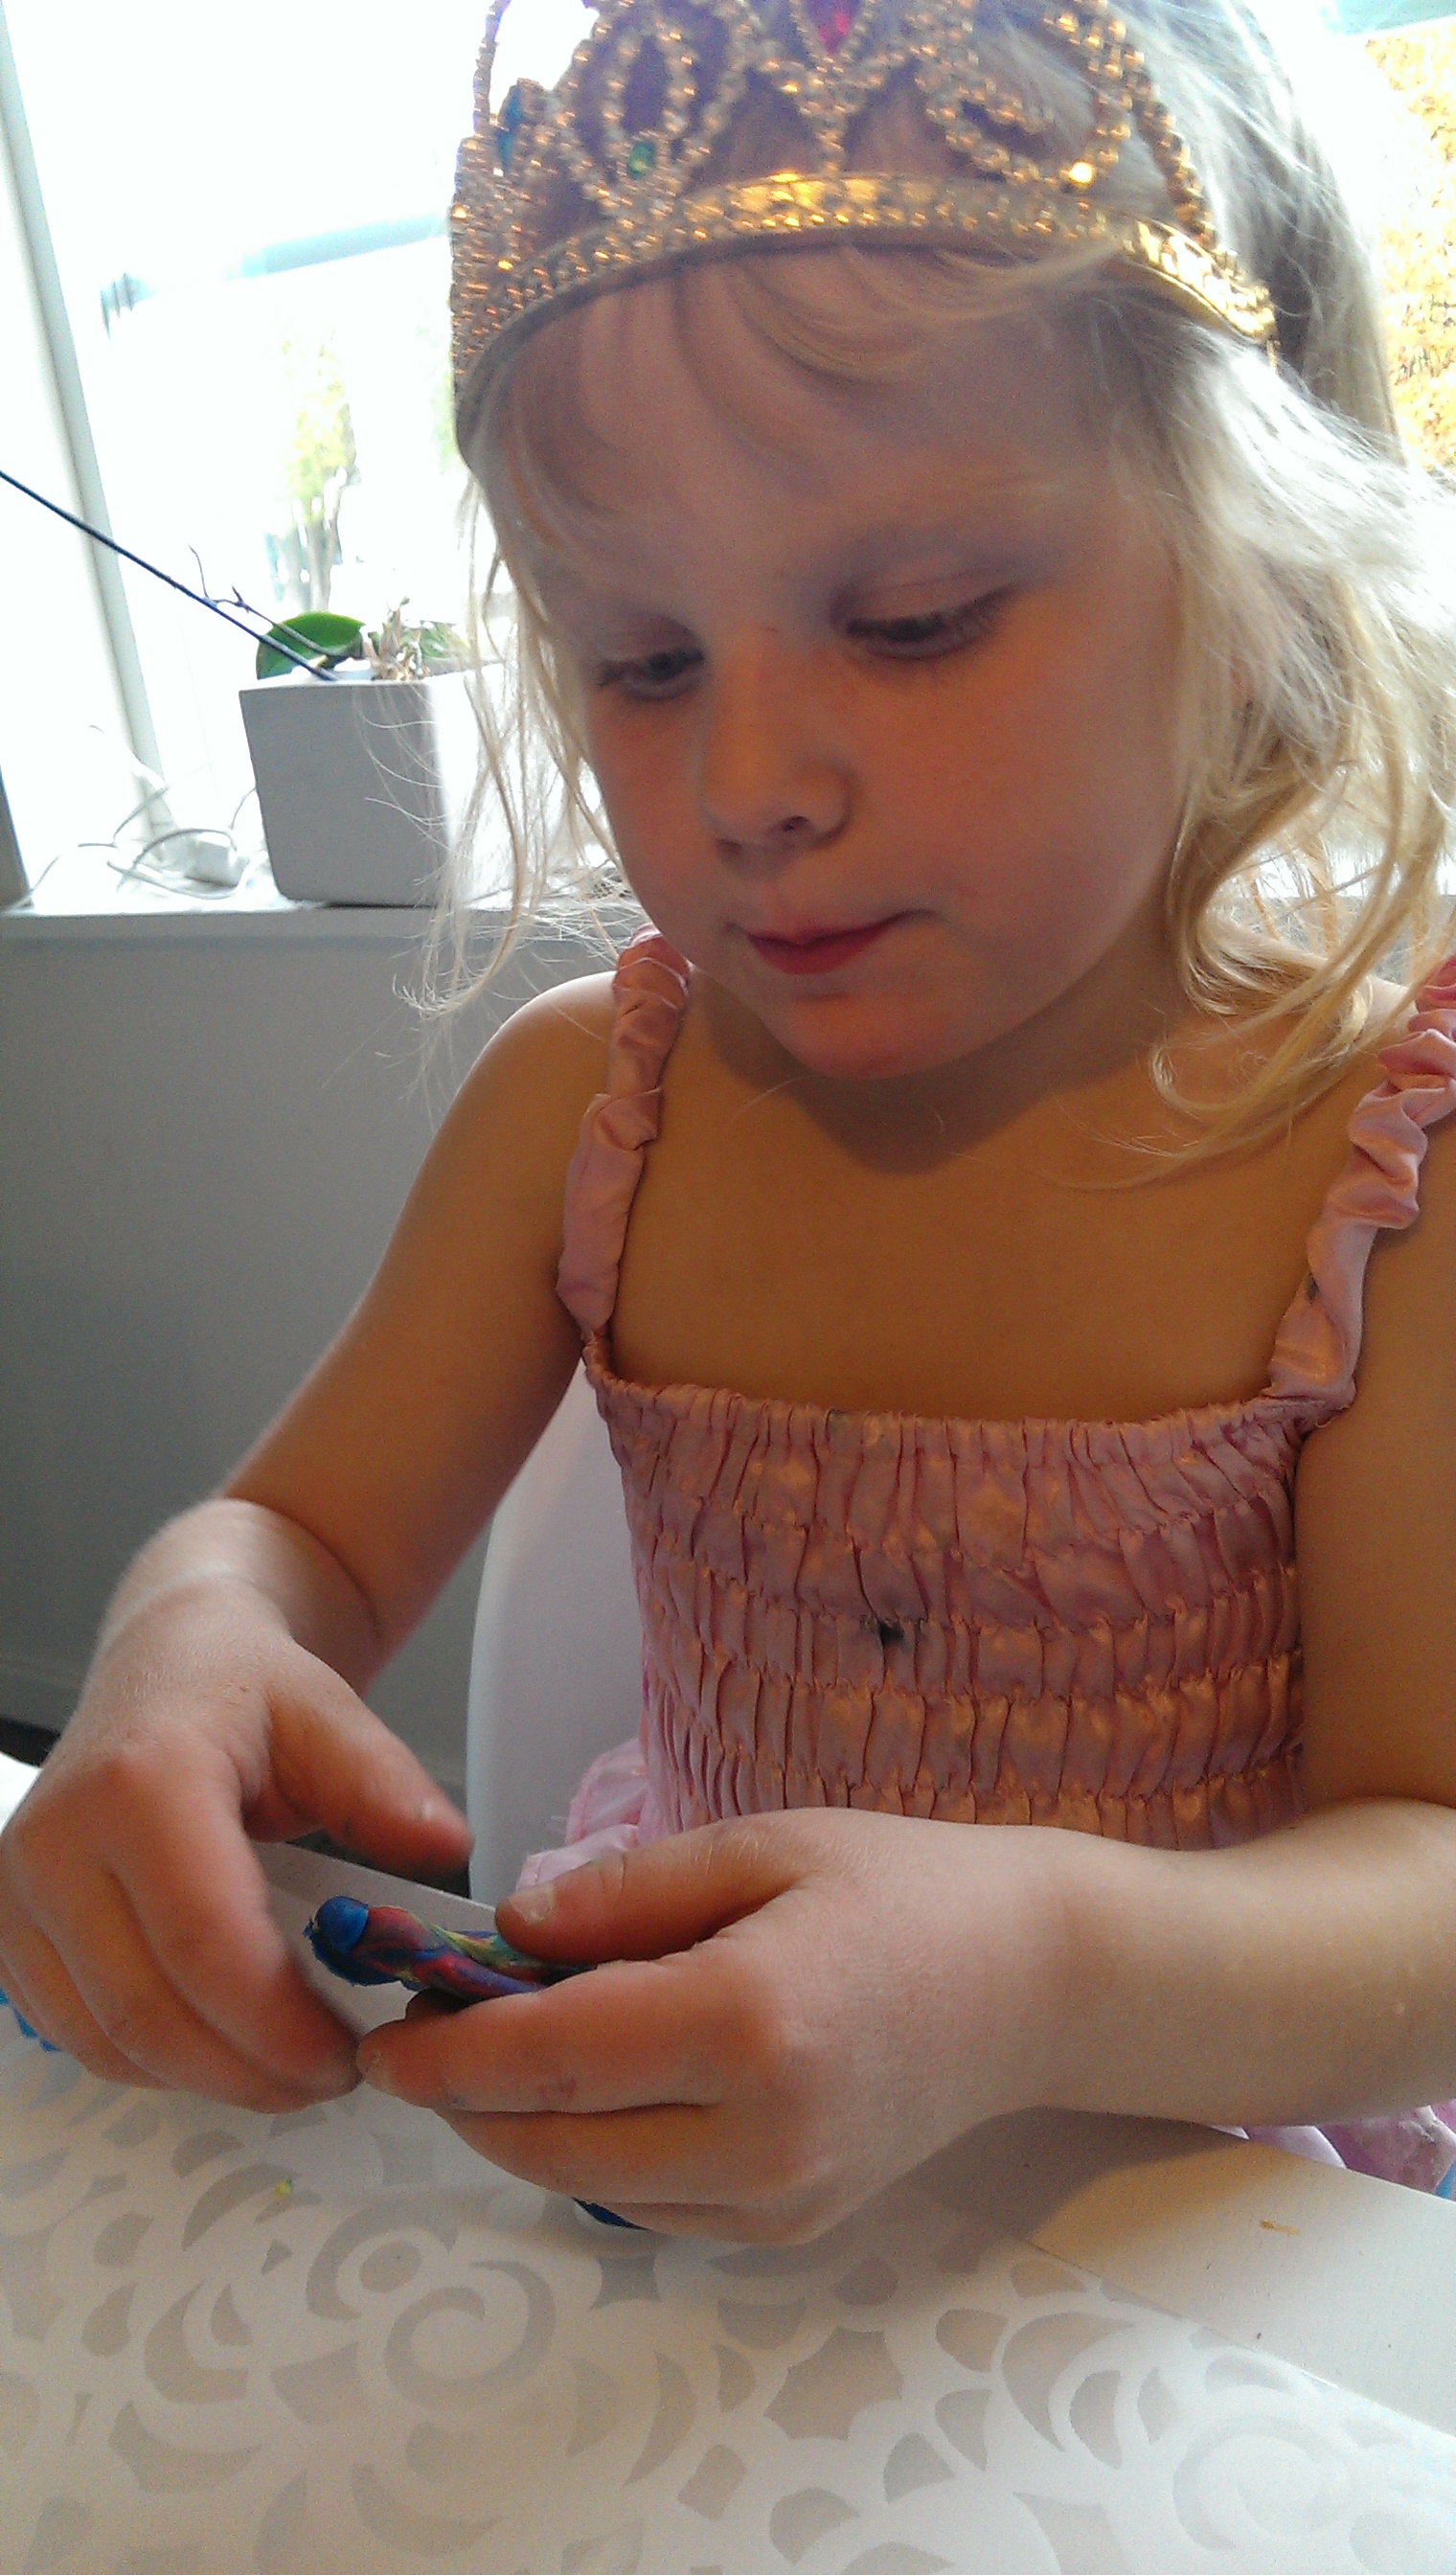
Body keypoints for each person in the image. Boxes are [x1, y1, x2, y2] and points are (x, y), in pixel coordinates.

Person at [4, 0, 1456, 2238]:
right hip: (675, 2167)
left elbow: (1423, 1894)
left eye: (914, 622)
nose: (747, 782)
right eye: (643, 661)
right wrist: (183, 1643)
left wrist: (1031, 1979)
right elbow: (301, 1544)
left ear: (1257, 576)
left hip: (1196, 2216)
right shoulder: (588, 1104)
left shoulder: (1382, 1173)